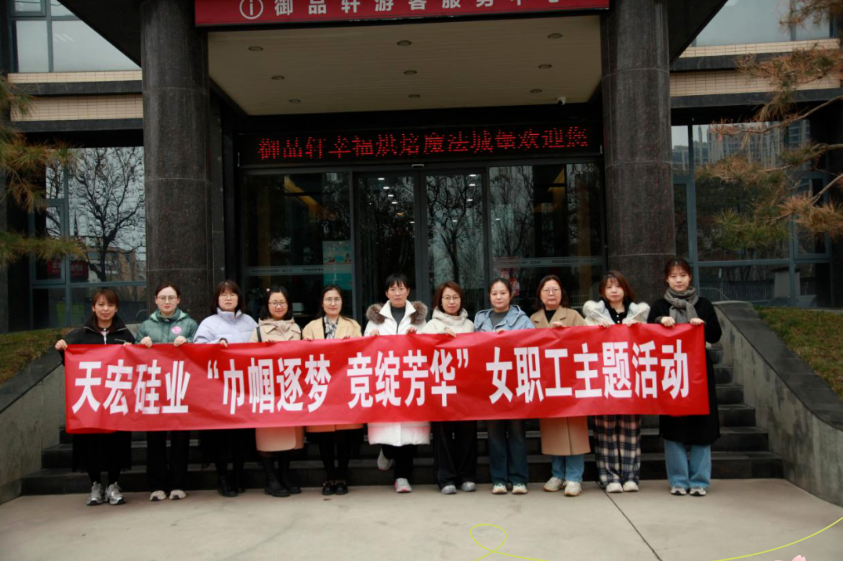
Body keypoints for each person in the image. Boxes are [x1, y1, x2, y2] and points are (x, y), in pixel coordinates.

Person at [648, 257, 722, 497]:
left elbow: (716, 334)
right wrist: (659, 322)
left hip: (699, 373)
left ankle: (700, 481)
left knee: (702, 428)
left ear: (690, 277)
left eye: (682, 275)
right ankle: (678, 480)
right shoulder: (659, 306)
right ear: (666, 279)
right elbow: (647, 336)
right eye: (673, 276)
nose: (678, 280)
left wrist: (702, 326)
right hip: (671, 373)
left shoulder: (704, 304)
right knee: (674, 429)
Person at [54, 288, 134, 506]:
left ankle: (114, 484)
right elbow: (73, 366)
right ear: (93, 307)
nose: (105, 309)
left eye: (110, 305)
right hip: (90, 402)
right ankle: (96, 484)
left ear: (116, 308)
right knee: (90, 443)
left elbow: (135, 366)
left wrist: (133, 350)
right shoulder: (81, 335)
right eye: (101, 304)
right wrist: (63, 351)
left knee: (117, 442)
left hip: (115, 399)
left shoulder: (125, 335)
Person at [582, 271, 650, 493]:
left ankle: (630, 476)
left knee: (631, 429)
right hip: (603, 380)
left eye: (618, 286)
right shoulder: (594, 315)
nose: (614, 291)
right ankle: (609, 477)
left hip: (631, 379)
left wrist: (637, 329)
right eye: (609, 287)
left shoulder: (638, 314)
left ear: (625, 289)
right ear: (602, 291)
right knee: (605, 431)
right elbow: (582, 342)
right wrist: (595, 331)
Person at [364, 273, 429, 493]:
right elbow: (364, 351)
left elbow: (428, 348)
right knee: (388, 429)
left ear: (408, 291)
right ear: (386, 293)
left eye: (401, 288)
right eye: (392, 289)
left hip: (410, 382)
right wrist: (371, 338)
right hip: (386, 381)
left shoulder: (419, 319)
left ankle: (402, 477)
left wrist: (416, 338)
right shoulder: (376, 320)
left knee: (408, 435)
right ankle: (387, 452)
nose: (397, 293)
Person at [194, 280, 257, 497]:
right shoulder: (208, 324)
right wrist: (215, 345)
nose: (228, 298)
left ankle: (238, 475)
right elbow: (197, 351)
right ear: (217, 299)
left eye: (232, 294)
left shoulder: (250, 321)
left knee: (242, 436)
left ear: (239, 298)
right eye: (223, 294)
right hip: (219, 391)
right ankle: (222, 477)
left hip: (245, 389)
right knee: (221, 437)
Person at [529, 275, 590, 497]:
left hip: (572, 381)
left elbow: (588, 342)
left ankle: (574, 477)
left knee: (574, 429)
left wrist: (567, 334)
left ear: (562, 293)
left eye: (555, 289)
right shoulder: (533, 319)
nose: (551, 294)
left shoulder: (573, 315)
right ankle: (557, 474)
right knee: (553, 429)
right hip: (547, 381)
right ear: (540, 294)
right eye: (546, 290)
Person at [137, 282, 199, 502]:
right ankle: (157, 485)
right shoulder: (146, 325)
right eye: (162, 297)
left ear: (178, 300)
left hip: (180, 389)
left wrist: (189, 342)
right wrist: (140, 343)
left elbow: (201, 350)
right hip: (154, 390)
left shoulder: (189, 324)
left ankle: (178, 484)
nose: (167, 301)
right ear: (155, 300)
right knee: (155, 440)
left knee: (181, 440)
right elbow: (132, 355)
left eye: (171, 297)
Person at [474, 278, 534, 495]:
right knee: (494, 434)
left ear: (511, 295)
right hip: (490, 384)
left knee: (516, 432)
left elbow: (533, 345)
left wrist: (509, 339)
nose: (498, 297)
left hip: (515, 384)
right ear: (489, 296)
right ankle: (499, 479)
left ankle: (519, 480)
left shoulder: (523, 320)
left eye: (502, 293)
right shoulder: (480, 319)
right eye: (494, 293)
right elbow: (472, 348)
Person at [303, 284, 364, 496]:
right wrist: (306, 345)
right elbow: (301, 358)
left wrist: (352, 345)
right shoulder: (310, 328)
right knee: (324, 437)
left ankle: (342, 476)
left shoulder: (352, 325)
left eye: (336, 299)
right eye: (328, 299)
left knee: (344, 436)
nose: (332, 303)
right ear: (322, 303)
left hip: (345, 388)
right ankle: (329, 476)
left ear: (342, 302)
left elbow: (362, 353)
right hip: (320, 389)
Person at [420, 281, 477, 495]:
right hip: (441, 387)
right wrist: (439, 340)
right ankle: (445, 478)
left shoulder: (470, 325)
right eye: (447, 298)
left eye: (455, 297)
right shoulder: (431, 326)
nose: (451, 302)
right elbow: (422, 354)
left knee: (467, 433)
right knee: (443, 434)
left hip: (466, 388)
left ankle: (467, 476)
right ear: (439, 301)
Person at [249, 285, 304, 498]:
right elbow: (247, 361)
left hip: (291, 389)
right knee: (268, 437)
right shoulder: (258, 331)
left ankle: (284, 476)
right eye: (274, 302)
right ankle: (271, 479)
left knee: (289, 437)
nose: (278, 306)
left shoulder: (297, 329)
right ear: (267, 305)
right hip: (267, 391)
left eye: (282, 302)